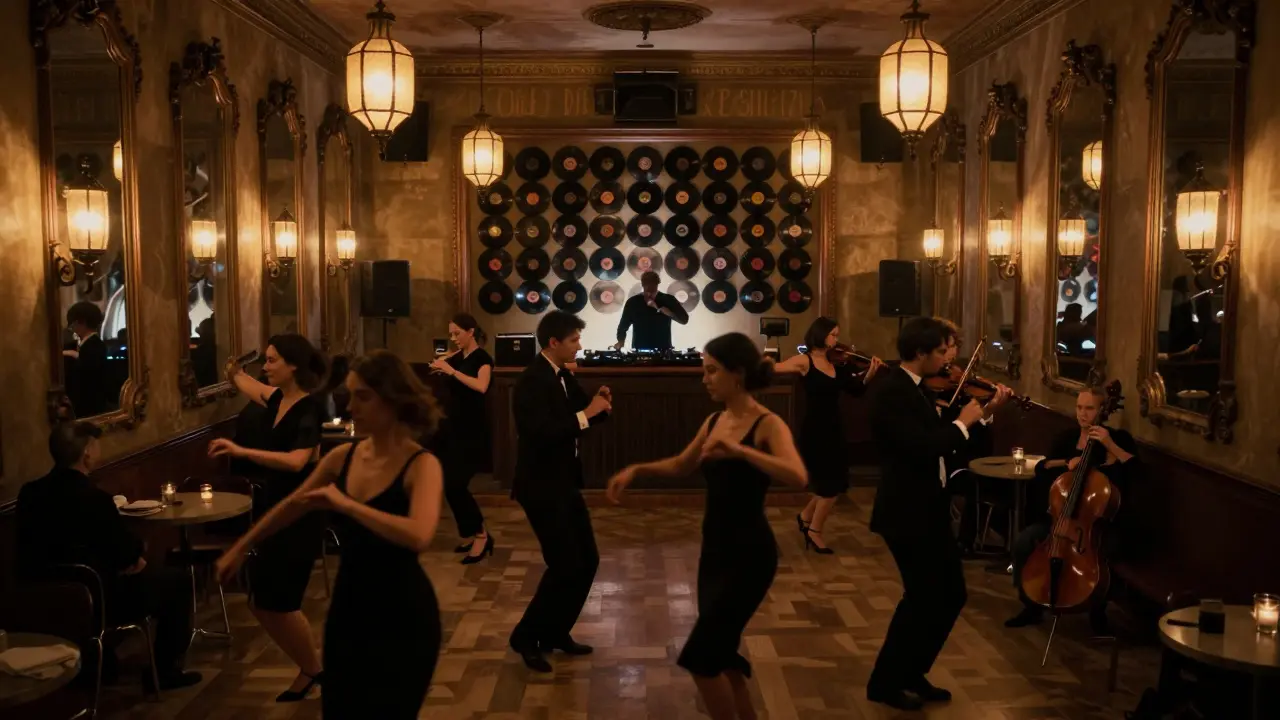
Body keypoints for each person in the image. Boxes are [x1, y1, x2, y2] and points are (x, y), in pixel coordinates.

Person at [216, 350, 444, 718]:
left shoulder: (422, 464)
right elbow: (291, 506)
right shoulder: (342, 459)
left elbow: (419, 535)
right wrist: (242, 546)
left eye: (363, 396)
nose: (351, 406)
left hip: (403, 613)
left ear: (394, 399)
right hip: (349, 608)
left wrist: (347, 505)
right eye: (350, 394)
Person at [607, 332, 807, 720]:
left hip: (750, 555)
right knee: (721, 653)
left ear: (738, 374)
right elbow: (682, 465)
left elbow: (798, 476)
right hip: (715, 552)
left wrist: (741, 450)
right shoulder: (715, 420)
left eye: (712, 371)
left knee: (702, 659)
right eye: (704, 370)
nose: (704, 379)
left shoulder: (767, 424)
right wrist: (636, 469)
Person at [866, 317, 1012, 710]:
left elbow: (940, 433)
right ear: (919, 353)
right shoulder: (892, 392)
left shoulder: (914, 390)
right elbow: (921, 447)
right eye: (944, 350)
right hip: (906, 512)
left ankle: (912, 672)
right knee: (922, 597)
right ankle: (885, 682)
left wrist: (978, 416)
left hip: (927, 509)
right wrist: (964, 423)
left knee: (948, 595)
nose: (951, 358)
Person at [17, 422, 200, 691]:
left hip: (40, 596)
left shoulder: (29, 494)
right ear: (88, 453)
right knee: (178, 582)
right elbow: (129, 558)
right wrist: (140, 548)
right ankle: (163, 673)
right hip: (100, 600)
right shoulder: (95, 499)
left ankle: (103, 662)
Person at [207, 334, 326, 702]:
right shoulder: (276, 399)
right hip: (272, 510)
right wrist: (233, 371)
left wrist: (242, 450)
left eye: (273, 360)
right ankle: (312, 669)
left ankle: (315, 671)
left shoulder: (310, 408)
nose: (267, 366)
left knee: (282, 601)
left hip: (299, 513)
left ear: (293, 366)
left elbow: (296, 461)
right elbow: (246, 383)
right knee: (261, 601)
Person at [509, 310, 612, 673]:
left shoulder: (562, 376)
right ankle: (526, 636)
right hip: (539, 485)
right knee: (565, 564)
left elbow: (584, 415)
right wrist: (588, 413)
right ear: (554, 343)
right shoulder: (531, 381)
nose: (579, 346)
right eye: (574, 340)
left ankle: (555, 632)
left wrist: (599, 404)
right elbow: (543, 432)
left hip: (563, 482)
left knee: (588, 561)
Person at [1005, 385, 1141, 633]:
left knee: (1101, 555)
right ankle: (1031, 606)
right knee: (1024, 542)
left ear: (1102, 411)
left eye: (1089, 408)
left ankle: (1096, 612)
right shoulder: (1067, 438)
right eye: (1079, 407)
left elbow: (1135, 470)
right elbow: (1042, 467)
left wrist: (1109, 444)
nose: (1082, 413)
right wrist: (1067, 463)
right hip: (1061, 518)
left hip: (1097, 525)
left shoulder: (1117, 439)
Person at [775, 316, 884, 553]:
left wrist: (871, 373)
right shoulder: (805, 361)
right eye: (833, 334)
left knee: (832, 480)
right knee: (831, 485)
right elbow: (776, 369)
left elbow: (856, 391)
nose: (837, 339)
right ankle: (814, 531)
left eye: (837, 334)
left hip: (834, 428)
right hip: (815, 430)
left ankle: (805, 517)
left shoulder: (837, 365)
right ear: (820, 334)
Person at [429, 313, 496, 564]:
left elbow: (481, 386)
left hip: (472, 432)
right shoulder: (458, 357)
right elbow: (444, 368)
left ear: (471, 332)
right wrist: (439, 367)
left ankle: (481, 535)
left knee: (456, 484)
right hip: (452, 430)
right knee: (448, 484)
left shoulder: (483, 359)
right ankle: (471, 532)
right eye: (451, 333)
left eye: (457, 333)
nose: (453, 338)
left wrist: (451, 371)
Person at [613, 270, 690, 351]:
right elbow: (623, 326)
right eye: (646, 285)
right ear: (642, 284)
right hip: (639, 350)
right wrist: (621, 341)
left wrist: (670, 314)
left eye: (652, 286)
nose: (648, 289)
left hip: (663, 350)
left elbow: (684, 320)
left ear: (657, 284)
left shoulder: (668, 300)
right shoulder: (633, 302)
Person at [64, 300, 110, 416]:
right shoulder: (90, 345)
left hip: (90, 410)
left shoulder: (94, 346)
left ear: (81, 322)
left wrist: (74, 356)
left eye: (72, 323)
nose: (71, 328)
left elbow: (86, 376)